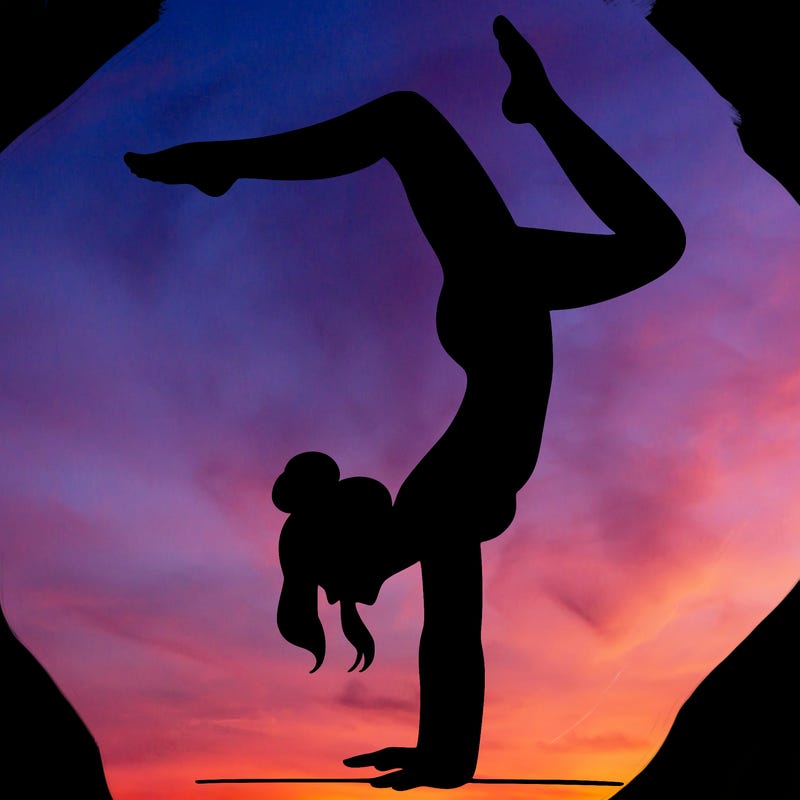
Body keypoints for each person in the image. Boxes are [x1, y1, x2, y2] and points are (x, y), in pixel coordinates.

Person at [125, 16, 685, 790]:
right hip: (500, 290)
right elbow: (451, 633)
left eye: (344, 580)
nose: (356, 594)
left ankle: (228, 162)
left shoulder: (435, 498)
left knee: (409, 124)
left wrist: (445, 758)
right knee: (416, 128)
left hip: (498, 290)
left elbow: (451, 632)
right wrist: (443, 757)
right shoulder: (434, 502)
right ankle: (535, 107)